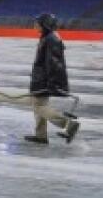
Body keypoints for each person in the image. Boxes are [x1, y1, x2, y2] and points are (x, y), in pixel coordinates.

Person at [24, 12, 80, 145]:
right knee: (38, 104)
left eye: (37, 22)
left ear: (45, 25)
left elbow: (54, 64)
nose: (35, 25)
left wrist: (52, 82)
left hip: (44, 80)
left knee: (39, 106)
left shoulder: (51, 39)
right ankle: (41, 135)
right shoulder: (47, 37)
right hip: (41, 78)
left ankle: (68, 124)